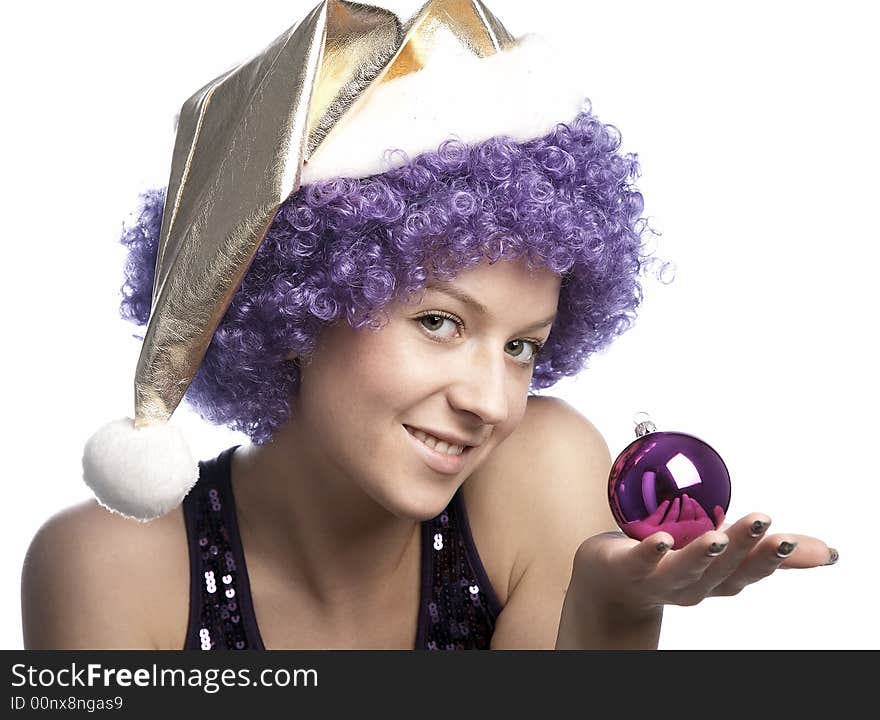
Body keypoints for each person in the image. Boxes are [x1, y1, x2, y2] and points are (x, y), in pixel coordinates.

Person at [20, 0, 836, 650]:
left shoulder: (540, 471)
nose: (493, 402)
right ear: (299, 307)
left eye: (522, 348)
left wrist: (610, 613)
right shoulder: (108, 568)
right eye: (441, 322)